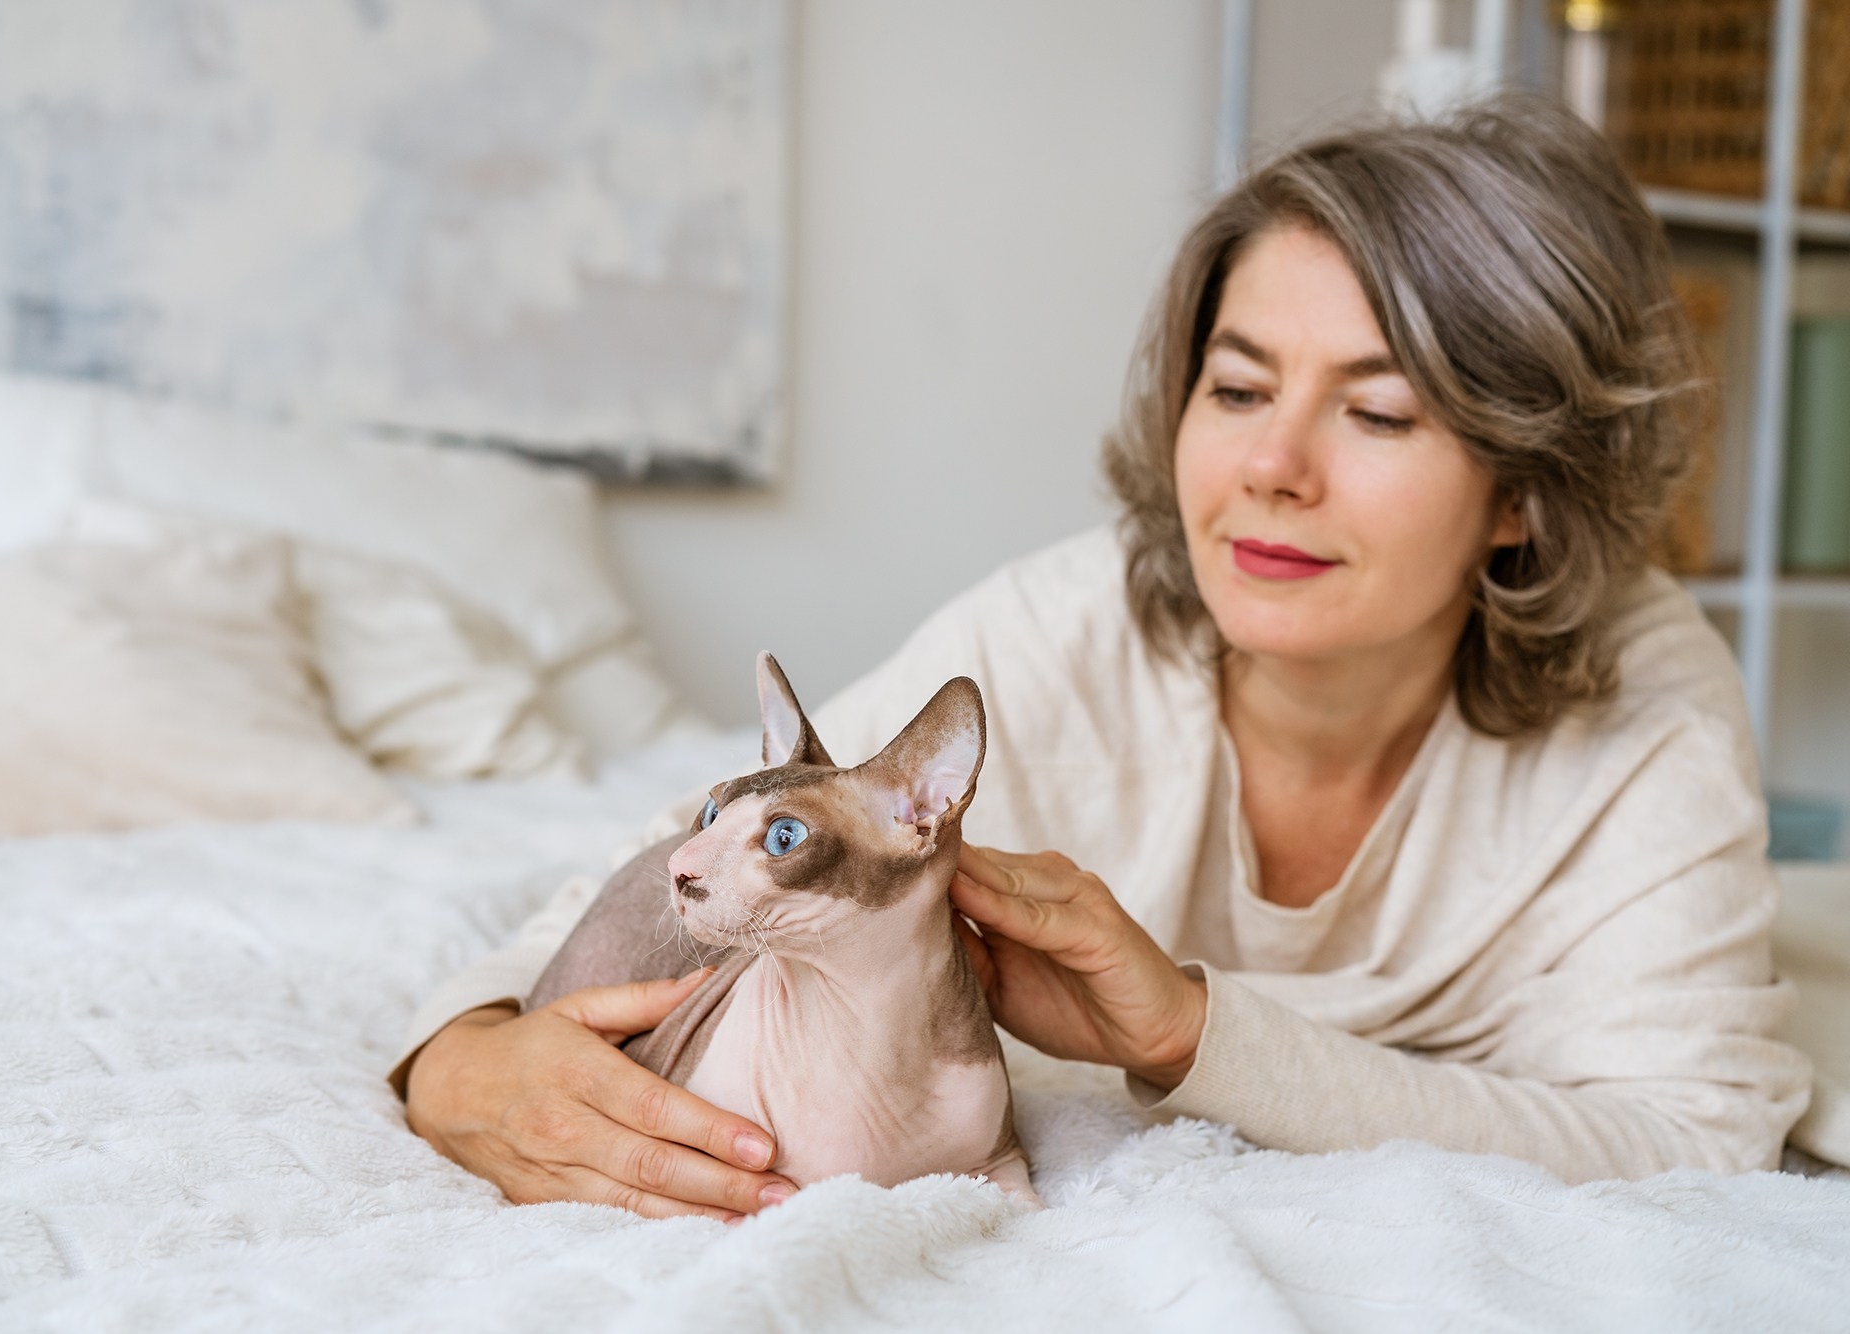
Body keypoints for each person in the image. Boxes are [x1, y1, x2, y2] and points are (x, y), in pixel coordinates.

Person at [393, 95, 1811, 1221]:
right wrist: (461, 1054)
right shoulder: (1065, 633)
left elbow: (1694, 1135)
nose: (1269, 467)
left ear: (1524, 490)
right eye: (1238, 386)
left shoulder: (1644, 695)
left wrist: (1194, 1032)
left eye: (1378, 414)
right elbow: (671, 873)